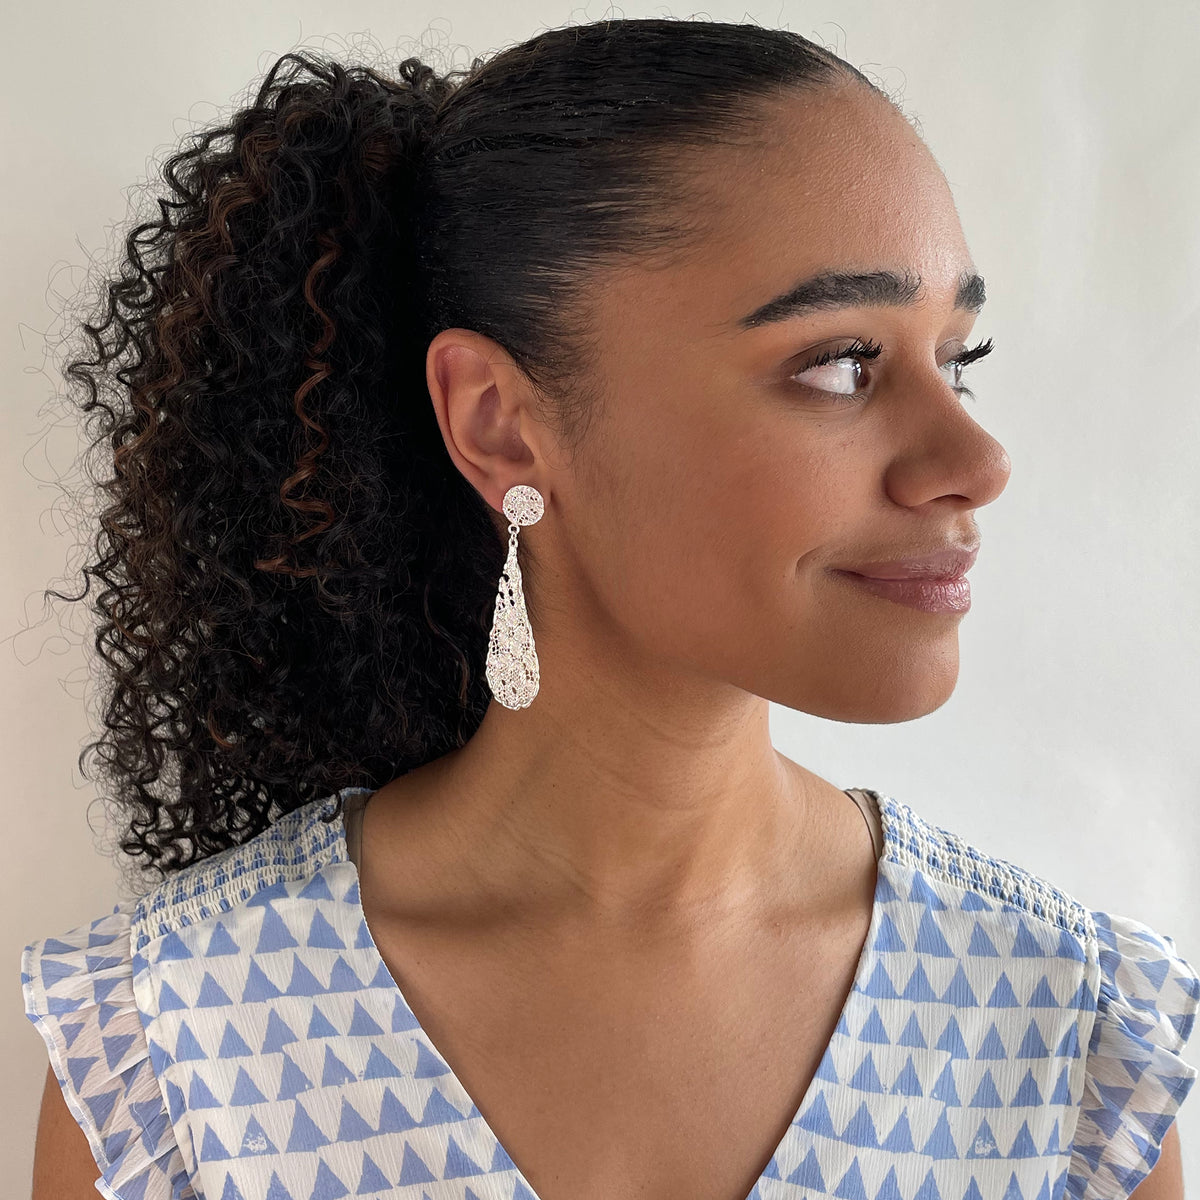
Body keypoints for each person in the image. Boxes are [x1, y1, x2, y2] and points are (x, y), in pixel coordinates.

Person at [19, 17, 1197, 1200]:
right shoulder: (177, 1052)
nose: (975, 460)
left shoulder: (1064, 1051)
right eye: (839, 360)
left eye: (957, 357)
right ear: (500, 421)